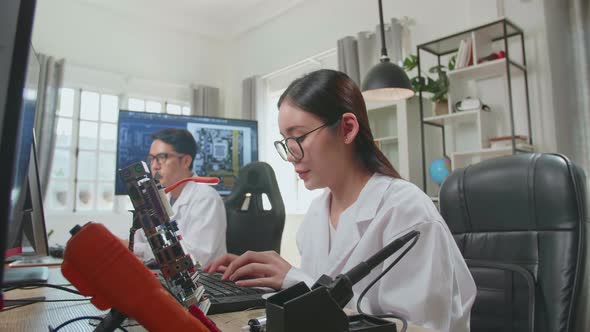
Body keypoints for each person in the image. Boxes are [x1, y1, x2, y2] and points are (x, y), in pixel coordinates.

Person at [204, 69, 476, 331]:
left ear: (347, 128)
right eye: (285, 141)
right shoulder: (317, 213)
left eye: (298, 136)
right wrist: (267, 283)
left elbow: (413, 326)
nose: (290, 155)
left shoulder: (406, 210)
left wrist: (293, 278)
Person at [132, 128, 227, 266]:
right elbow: (137, 239)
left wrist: (137, 249)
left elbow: (195, 258)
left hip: (204, 281)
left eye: (162, 157)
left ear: (186, 161)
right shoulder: (157, 198)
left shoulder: (206, 198)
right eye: (152, 159)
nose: (154, 166)